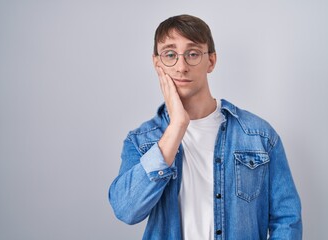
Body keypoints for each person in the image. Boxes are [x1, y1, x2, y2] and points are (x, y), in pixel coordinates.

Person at [109, 14, 302, 240]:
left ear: (211, 61)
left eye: (192, 54)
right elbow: (126, 210)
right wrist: (177, 126)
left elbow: (287, 218)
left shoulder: (259, 135)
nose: (181, 67)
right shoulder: (140, 141)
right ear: (157, 63)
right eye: (170, 54)